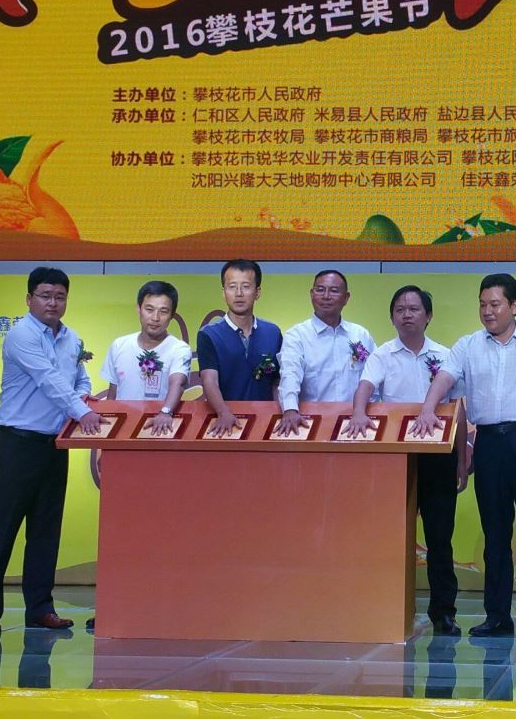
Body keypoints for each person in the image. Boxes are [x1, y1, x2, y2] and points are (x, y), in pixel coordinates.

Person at [416, 273, 516, 639]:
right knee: (495, 534)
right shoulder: (468, 345)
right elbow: (444, 379)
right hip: (489, 444)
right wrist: (427, 409)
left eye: (495, 304)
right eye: (482, 304)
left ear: (514, 305)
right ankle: (497, 616)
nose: (487, 311)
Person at [0, 267, 100, 633]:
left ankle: (40, 608)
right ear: (29, 299)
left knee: (46, 531)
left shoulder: (72, 339)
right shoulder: (21, 335)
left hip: (54, 445)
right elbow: (49, 380)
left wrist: (84, 397)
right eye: (45, 296)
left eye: (59, 297)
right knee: (1, 528)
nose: (52, 303)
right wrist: (83, 412)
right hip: (17, 443)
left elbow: (79, 379)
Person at [348, 285, 466, 635]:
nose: (407, 315)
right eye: (400, 309)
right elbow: (365, 388)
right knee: (389, 535)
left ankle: (443, 612)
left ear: (428, 316)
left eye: (414, 309)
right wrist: (358, 413)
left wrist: (462, 459)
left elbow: (459, 409)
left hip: (438, 457)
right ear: (392, 317)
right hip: (395, 458)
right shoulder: (382, 354)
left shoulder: (446, 356)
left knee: (439, 537)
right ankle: (385, 607)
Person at [275, 269, 376, 436]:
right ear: (311, 294)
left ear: (346, 298)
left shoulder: (360, 334)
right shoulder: (297, 335)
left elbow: (374, 377)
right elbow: (290, 374)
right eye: (320, 290)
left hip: (355, 424)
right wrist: (290, 410)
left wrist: (370, 410)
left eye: (334, 291)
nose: (326, 296)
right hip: (310, 424)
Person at [197, 259, 283, 436]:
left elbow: (277, 381)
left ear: (257, 292)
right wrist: (223, 412)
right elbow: (209, 380)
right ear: (223, 292)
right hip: (226, 423)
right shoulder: (209, 334)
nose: (238, 293)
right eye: (232, 287)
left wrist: (280, 414)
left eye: (245, 286)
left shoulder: (273, 332)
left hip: (266, 422)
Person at [98, 280, 192, 435]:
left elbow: (178, 383)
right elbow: (113, 392)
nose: (155, 318)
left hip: (158, 428)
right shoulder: (119, 345)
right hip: (122, 429)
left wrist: (165, 412)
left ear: (172, 315)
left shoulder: (179, 349)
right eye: (149, 309)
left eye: (163, 311)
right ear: (138, 308)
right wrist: (106, 433)